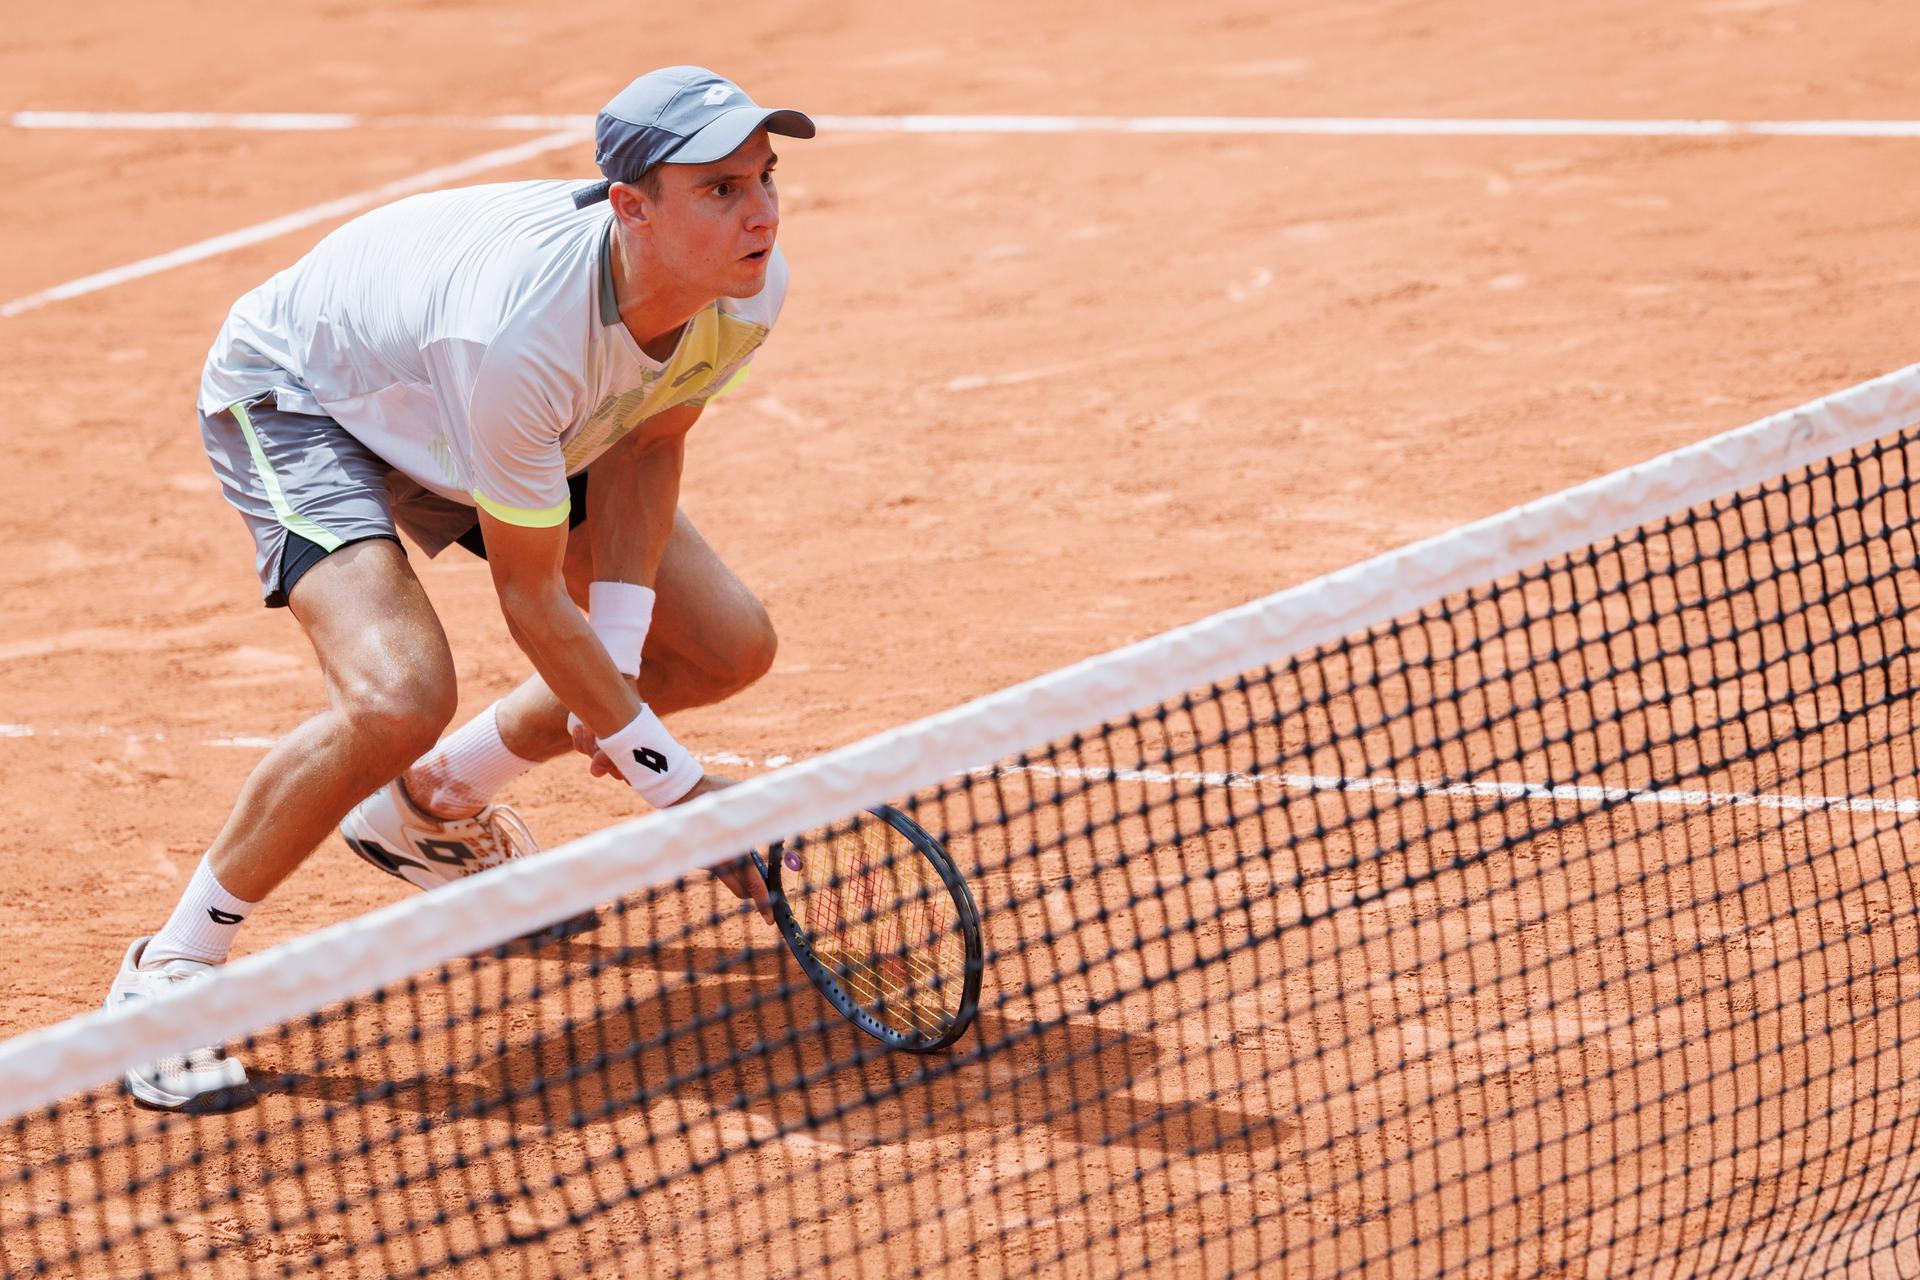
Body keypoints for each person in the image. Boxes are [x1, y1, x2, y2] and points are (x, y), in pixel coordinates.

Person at [103, 66, 813, 1113]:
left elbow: (649, 443)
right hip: (311, 397)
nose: (760, 211)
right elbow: (530, 602)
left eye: (764, 176)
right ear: (632, 207)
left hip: (470, 411)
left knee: (719, 643)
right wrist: (676, 789)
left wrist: (615, 657)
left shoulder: (746, 283)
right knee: (397, 694)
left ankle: (429, 809)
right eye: (718, 187)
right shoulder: (523, 330)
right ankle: (169, 970)